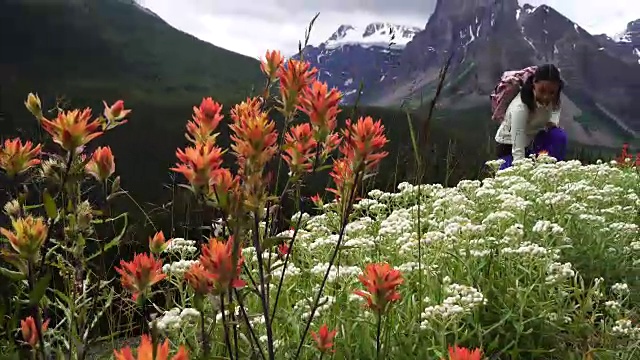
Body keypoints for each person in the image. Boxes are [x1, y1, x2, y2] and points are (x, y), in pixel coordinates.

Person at [494, 64, 568, 170]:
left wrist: (551, 124)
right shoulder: (520, 108)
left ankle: (553, 169)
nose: (546, 96)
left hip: (532, 142)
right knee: (512, 173)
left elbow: (554, 114)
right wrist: (522, 170)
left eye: (552, 92)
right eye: (542, 91)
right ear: (534, 83)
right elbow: (517, 148)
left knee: (558, 135)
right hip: (509, 147)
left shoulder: (554, 100)